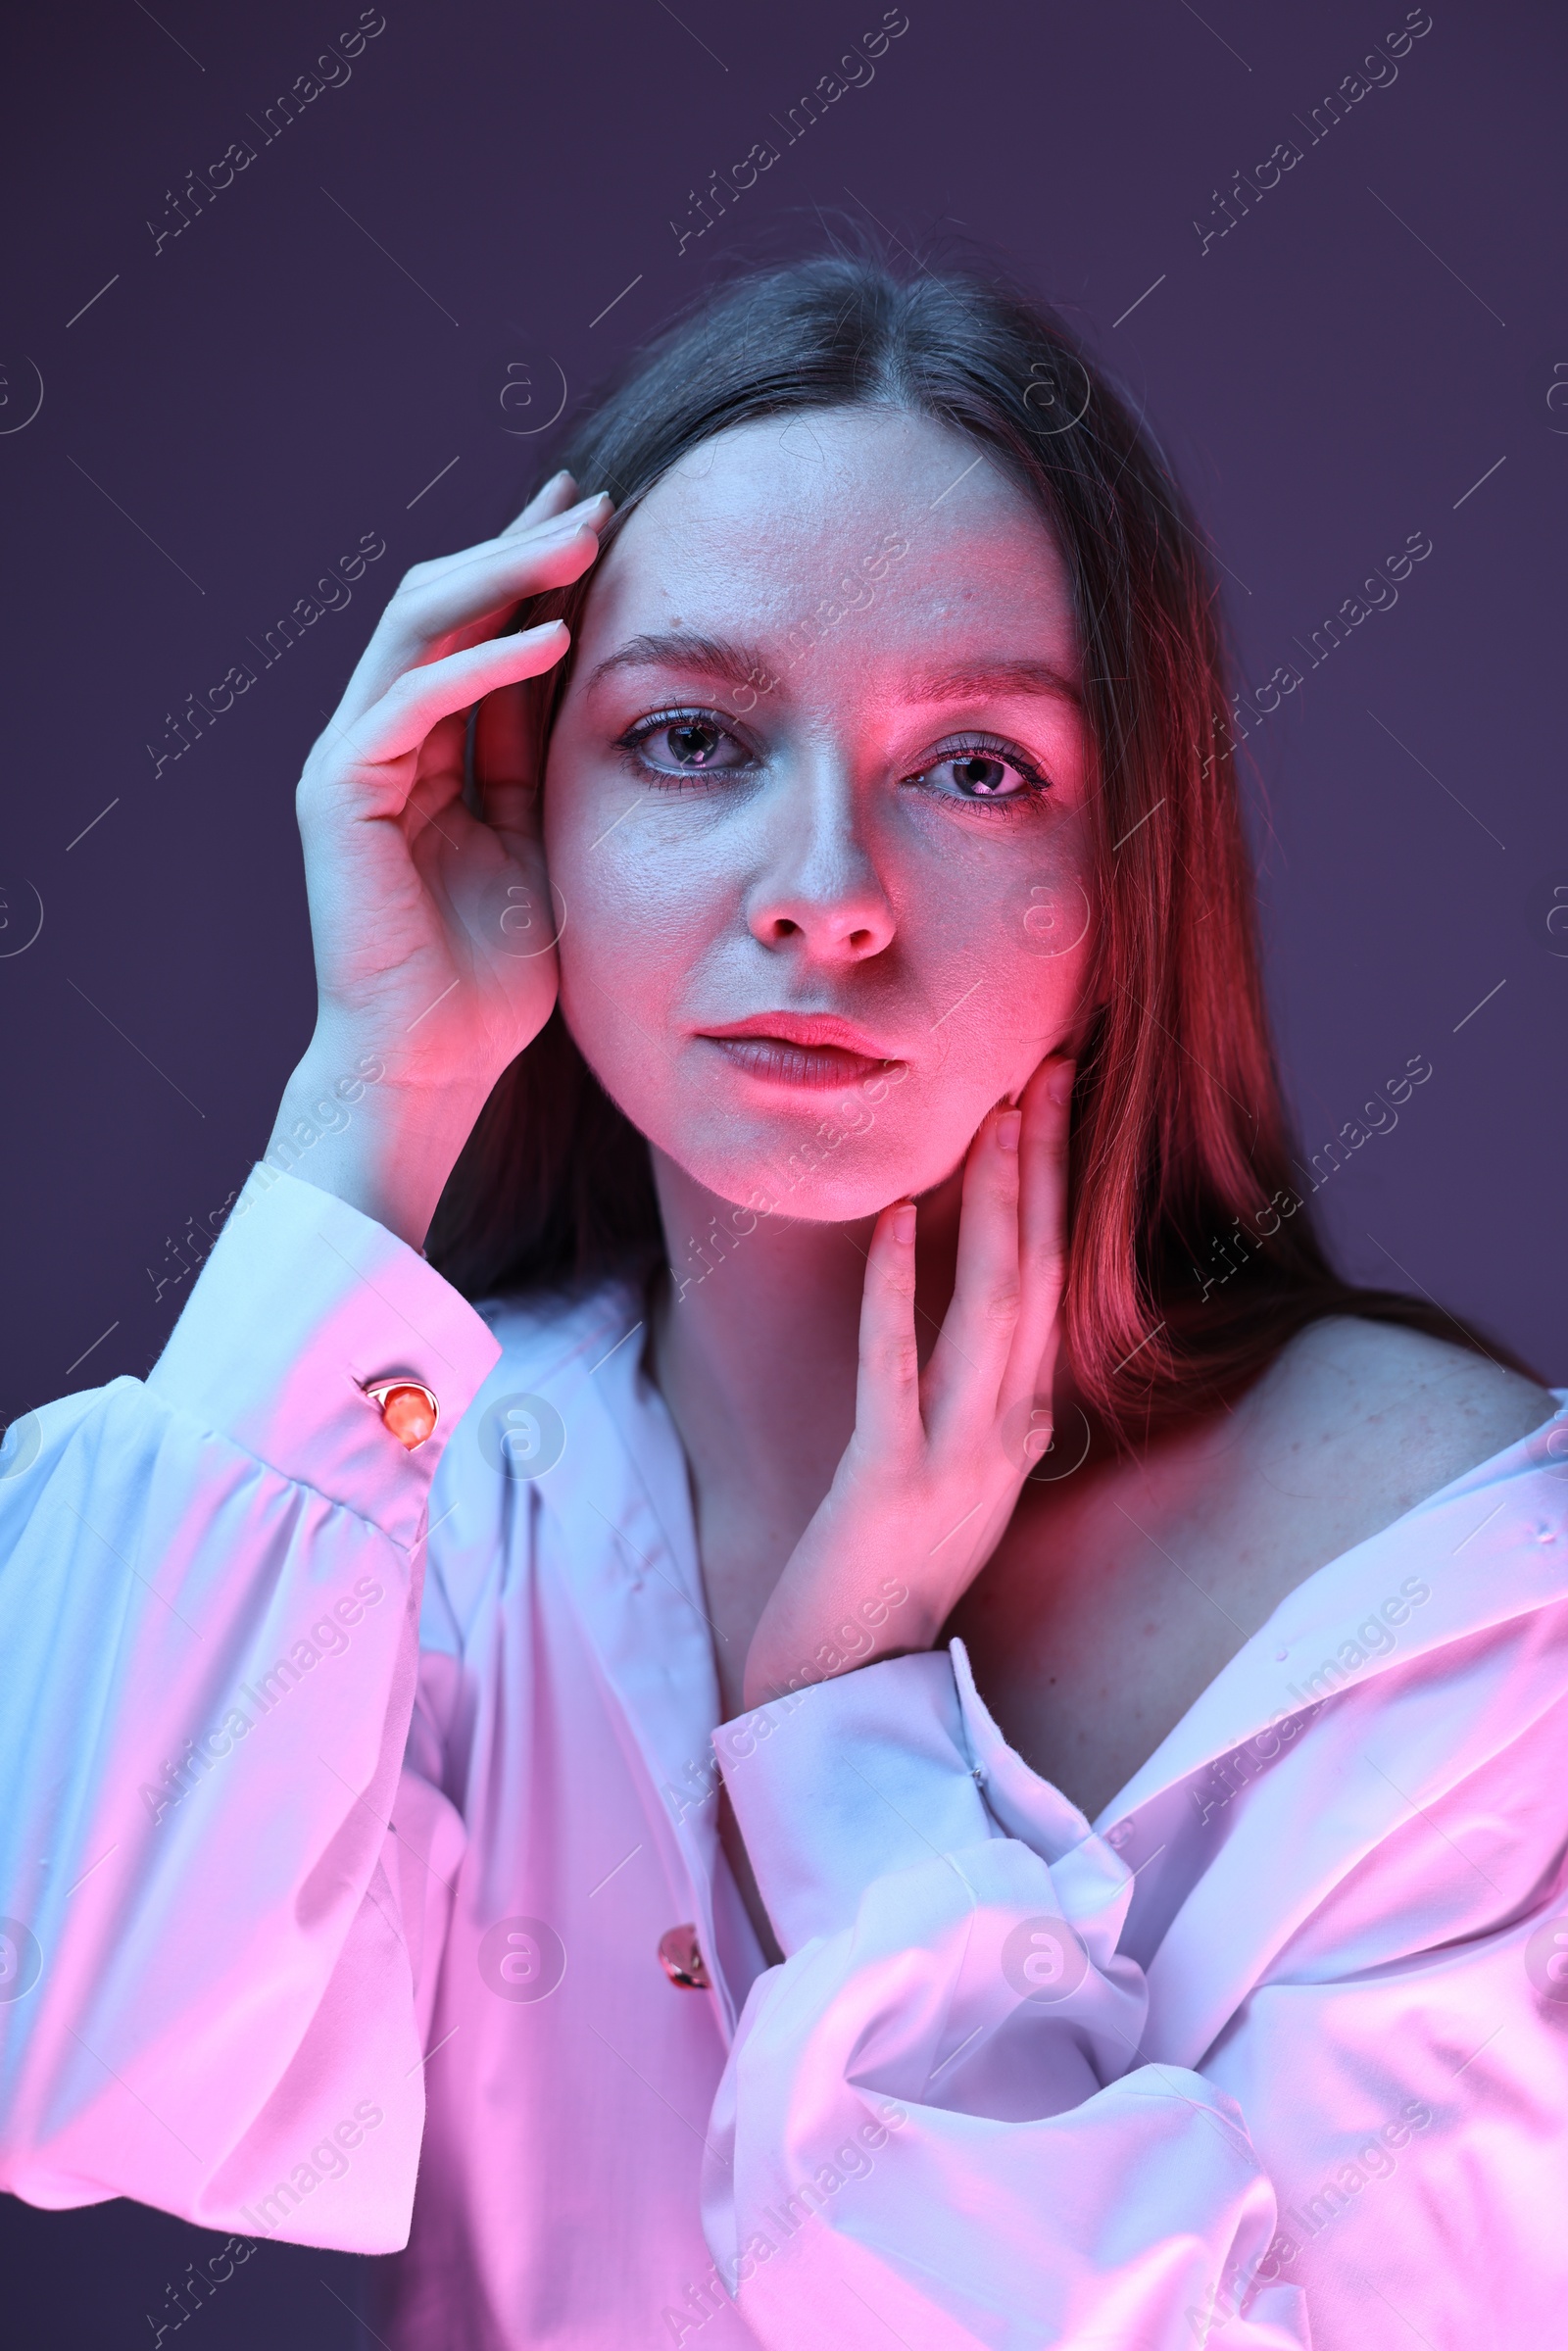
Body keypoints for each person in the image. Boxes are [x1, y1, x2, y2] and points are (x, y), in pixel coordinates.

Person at [1, 250, 1564, 2351]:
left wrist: (844, 1738)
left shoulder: (1448, 1607)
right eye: (687, 737)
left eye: (977, 767)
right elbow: (83, 2066)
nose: (822, 886)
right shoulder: (443, 1501)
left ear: (1130, 876)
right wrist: (369, 1093)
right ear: (514, 799)